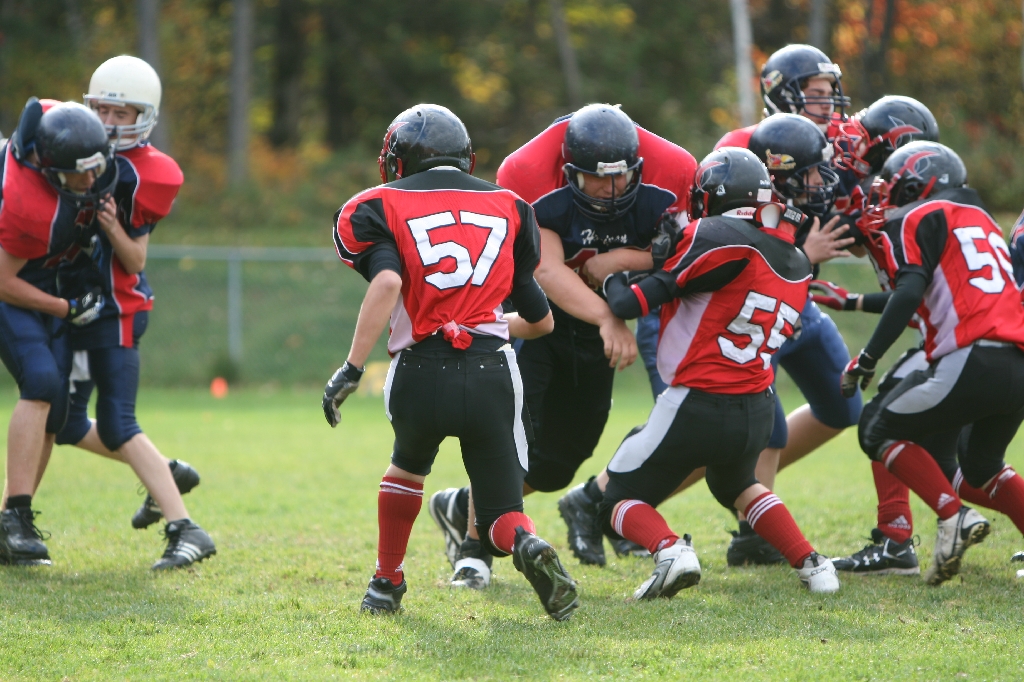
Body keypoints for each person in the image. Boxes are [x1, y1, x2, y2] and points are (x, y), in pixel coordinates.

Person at [327, 103, 578, 620]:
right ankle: (527, 544)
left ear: (399, 161)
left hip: (420, 369)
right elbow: (541, 321)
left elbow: (388, 282)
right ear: (466, 157)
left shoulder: (377, 205)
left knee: (406, 468)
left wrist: (351, 369)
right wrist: (487, 322)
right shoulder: (510, 207)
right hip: (491, 372)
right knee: (502, 512)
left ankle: (386, 582)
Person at [429, 104, 695, 581]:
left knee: (558, 464)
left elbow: (685, 251)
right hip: (535, 312)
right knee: (510, 435)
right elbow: (546, 269)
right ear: (569, 171)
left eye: (620, 178)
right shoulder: (529, 170)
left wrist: (619, 259)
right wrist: (609, 317)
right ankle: (474, 551)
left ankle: (462, 504)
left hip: (596, 318)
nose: (610, 190)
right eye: (597, 179)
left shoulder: (672, 169)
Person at [598, 147, 839, 598]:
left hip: (698, 400)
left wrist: (612, 274)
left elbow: (627, 304)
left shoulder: (714, 234)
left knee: (615, 497)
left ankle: (670, 550)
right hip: (758, 405)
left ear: (711, 196)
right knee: (738, 484)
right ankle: (813, 564)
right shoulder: (794, 256)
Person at [50, 55, 214, 570]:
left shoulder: (149, 171)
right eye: (101, 110)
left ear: (144, 117)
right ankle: (166, 471)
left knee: (118, 423)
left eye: (120, 113)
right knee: (67, 423)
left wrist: (110, 225)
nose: (108, 122)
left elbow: (135, 258)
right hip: (78, 307)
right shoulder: (74, 145)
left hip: (117, 307)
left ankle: (186, 529)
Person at [704, 45, 861, 565]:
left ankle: (746, 490)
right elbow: (738, 247)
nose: (828, 104)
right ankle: (611, 497)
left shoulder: (833, 145)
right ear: (783, 95)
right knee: (760, 426)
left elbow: (843, 220)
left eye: (829, 93)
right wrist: (804, 255)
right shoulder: (743, 150)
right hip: (753, 302)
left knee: (844, 404)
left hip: (800, 300)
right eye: (815, 94)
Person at [843, 141, 1024, 585]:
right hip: (1018, 361)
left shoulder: (919, 217)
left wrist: (868, 357)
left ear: (917, 183)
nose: (887, 194)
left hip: (973, 355)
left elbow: (908, 292)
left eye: (894, 184)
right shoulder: (981, 219)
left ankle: (951, 516)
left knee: (876, 428)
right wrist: (852, 301)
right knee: (981, 465)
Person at [0, 99, 107, 564]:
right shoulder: (29, 204)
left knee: (57, 410)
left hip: (44, 279)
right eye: (80, 173)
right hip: (11, 286)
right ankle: (16, 518)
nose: (92, 179)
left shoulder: (66, 131)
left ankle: (10, 523)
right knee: (42, 382)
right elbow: (3, 280)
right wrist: (65, 307)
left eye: (95, 166)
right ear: (51, 170)